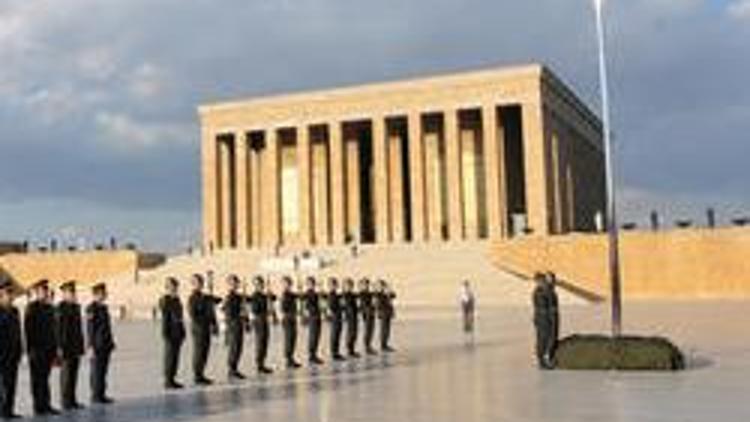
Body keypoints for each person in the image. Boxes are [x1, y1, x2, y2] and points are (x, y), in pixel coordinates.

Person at [25, 279, 60, 416]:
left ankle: (46, 405)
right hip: (36, 351)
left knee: (45, 379)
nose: (45, 293)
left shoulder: (49, 308)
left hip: (48, 350)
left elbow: (53, 331)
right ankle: (38, 406)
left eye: (46, 291)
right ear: (37, 292)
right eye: (42, 291)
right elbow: (28, 331)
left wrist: (55, 350)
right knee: (37, 380)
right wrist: (30, 350)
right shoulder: (31, 308)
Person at [57, 281, 85, 410]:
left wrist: (81, 346)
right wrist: (59, 347)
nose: (73, 294)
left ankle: (72, 400)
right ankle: (65, 401)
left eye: (74, 292)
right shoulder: (60, 308)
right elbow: (59, 330)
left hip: (75, 347)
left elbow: (78, 329)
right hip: (65, 347)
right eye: (71, 292)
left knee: (74, 375)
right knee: (66, 376)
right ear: (64, 294)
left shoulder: (76, 307)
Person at [86, 283, 115, 404]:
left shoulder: (104, 308)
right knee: (96, 371)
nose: (105, 295)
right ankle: (95, 395)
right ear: (96, 294)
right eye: (103, 293)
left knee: (103, 371)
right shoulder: (91, 308)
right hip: (97, 345)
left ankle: (102, 394)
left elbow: (107, 328)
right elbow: (90, 329)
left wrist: (111, 342)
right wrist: (91, 346)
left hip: (105, 345)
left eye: (105, 293)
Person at [188, 274, 218, 385]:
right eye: (197, 282)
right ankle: (197, 375)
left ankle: (201, 374)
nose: (199, 284)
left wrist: (213, 324)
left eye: (201, 282)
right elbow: (193, 315)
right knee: (199, 352)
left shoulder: (205, 297)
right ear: (193, 284)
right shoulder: (193, 298)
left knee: (205, 352)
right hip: (199, 328)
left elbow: (216, 303)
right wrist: (205, 319)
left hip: (206, 328)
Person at [0, 278, 23, 419]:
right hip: (1, 354)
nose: (10, 295)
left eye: (12, 293)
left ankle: (9, 410)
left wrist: (19, 350)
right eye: (8, 293)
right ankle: (2, 411)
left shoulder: (14, 310)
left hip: (13, 354)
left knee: (11, 384)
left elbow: (17, 332)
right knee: (2, 385)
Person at [159, 277, 186, 389]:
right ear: (167, 287)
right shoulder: (165, 300)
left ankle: (172, 378)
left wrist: (183, 331)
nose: (174, 288)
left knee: (175, 357)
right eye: (171, 286)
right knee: (169, 357)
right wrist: (165, 333)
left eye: (175, 286)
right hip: (170, 332)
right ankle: (168, 380)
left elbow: (180, 317)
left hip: (178, 332)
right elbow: (166, 318)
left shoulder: (177, 299)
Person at [222, 274, 247, 380]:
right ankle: (231, 369)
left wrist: (245, 319)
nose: (235, 285)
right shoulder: (230, 297)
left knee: (238, 347)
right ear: (229, 285)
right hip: (233, 324)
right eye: (232, 283)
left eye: (236, 283)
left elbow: (244, 306)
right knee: (234, 347)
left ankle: (235, 368)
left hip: (238, 324)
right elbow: (228, 313)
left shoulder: (238, 296)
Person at [248, 276, 273, 374]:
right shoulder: (255, 296)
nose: (260, 286)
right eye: (257, 284)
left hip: (264, 320)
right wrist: (265, 312)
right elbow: (255, 310)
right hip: (259, 320)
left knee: (264, 342)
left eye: (261, 284)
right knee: (260, 342)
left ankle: (262, 363)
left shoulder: (263, 295)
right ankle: (259, 364)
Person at [532, 273, 554, 369]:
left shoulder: (545, 290)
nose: (544, 282)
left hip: (545, 318)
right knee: (542, 339)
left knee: (547, 337)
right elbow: (543, 306)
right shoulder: (539, 292)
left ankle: (545, 358)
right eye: (543, 280)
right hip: (542, 318)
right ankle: (541, 361)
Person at [279, 276, 301, 369]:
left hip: (292, 318)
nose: (287, 285)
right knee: (288, 339)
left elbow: (299, 296)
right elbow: (283, 308)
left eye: (289, 283)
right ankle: (288, 359)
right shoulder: (284, 295)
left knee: (293, 338)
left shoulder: (291, 294)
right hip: (287, 318)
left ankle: (291, 358)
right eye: (285, 283)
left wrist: (300, 289)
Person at [302, 277, 324, 364]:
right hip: (313, 316)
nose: (311, 285)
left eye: (312, 283)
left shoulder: (315, 293)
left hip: (317, 316)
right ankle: (311, 355)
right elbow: (306, 306)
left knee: (316, 336)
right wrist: (306, 316)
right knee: (313, 336)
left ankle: (314, 354)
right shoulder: (308, 294)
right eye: (309, 283)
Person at [326, 277, 345, 361]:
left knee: (337, 335)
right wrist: (340, 307)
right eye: (333, 284)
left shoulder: (336, 294)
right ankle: (333, 353)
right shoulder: (331, 294)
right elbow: (331, 307)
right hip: (335, 317)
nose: (335, 286)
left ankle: (336, 352)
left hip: (338, 316)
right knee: (334, 335)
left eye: (335, 284)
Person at [375, 280, 396, 352]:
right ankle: (383, 345)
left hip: (388, 313)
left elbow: (394, 295)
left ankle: (385, 344)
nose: (382, 287)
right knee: (383, 330)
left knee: (387, 330)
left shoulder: (386, 293)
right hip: (383, 313)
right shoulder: (377, 294)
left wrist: (389, 289)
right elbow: (378, 304)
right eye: (380, 286)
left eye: (383, 286)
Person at [342, 278, 360, 358]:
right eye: (348, 285)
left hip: (354, 315)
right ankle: (349, 350)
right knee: (350, 333)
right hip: (349, 316)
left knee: (354, 333)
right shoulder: (344, 295)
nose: (349, 287)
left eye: (350, 285)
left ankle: (352, 349)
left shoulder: (352, 294)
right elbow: (344, 306)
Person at [545, 272, 560, 362]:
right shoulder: (548, 290)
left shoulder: (551, 289)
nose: (553, 281)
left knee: (553, 335)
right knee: (551, 335)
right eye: (551, 279)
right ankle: (548, 356)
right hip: (551, 316)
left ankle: (550, 355)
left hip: (553, 315)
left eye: (553, 279)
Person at [359, 278, 377, 355]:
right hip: (366, 314)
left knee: (371, 330)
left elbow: (375, 298)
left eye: (367, 284)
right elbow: (363, 304)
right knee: (367, 330)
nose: (366, 286)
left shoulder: (369, 293)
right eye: (364, 284)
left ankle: (369, 345)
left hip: (371, 313)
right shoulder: (361, 294)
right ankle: (366, 347)